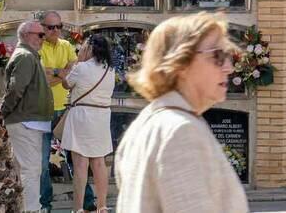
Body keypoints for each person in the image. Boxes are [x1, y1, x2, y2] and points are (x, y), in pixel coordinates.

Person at [115, 13, 247, 212]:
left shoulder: (145, 123)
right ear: (181, 63)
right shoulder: (181, 131)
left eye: (228, 55)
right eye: (218, 56)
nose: (228, 67)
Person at [38, 11, 93, 213]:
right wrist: (59, 73)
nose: (55, 31)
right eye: (51, 27)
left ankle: (88, 202)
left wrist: (53, 73)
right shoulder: (37, 47)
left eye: (59, 27)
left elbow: (73, 71)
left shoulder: (67, 46)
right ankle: (45, 205)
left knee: (76, 158)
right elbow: (39, 76)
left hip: (65, 110)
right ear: (42, 27)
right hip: (43, 110)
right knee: (43, 162)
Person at [0, 20, 53, 212]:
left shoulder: (29, 56)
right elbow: (16, 88)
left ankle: (28, 208)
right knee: (30, 170)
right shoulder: (25, 56)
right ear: (26, 35)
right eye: (40, 35)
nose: (43, 38)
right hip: (24, 121)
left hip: (30, 122)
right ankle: (31, 209)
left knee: (29, 169)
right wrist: (3, 111)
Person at [60, 35, 114, 213]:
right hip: (102, 117)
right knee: (99, 162)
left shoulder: (81, 67)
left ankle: (78, 208)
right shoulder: (110, 69)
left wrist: (77, 62)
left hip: (82, 116)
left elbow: (66, 84)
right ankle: (102, 206)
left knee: (80, 165)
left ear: (90, 48)